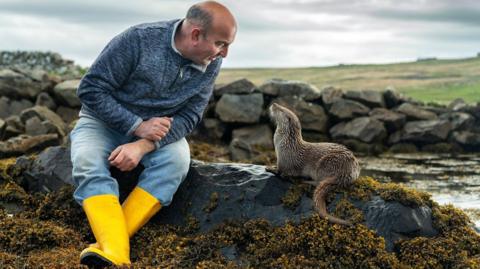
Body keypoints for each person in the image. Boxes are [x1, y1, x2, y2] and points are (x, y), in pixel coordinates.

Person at [69, 1, 237, 267]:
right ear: (195, 35)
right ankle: (117, 251)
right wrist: (136, 125)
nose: (224, 53)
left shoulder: (210, 61)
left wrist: (143, 144)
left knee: (177, 162)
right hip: (100, 123)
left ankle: (111, 247)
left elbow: (190, 116)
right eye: (220, 43)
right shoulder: (137, 40)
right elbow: (90, 90)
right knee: (87, 161)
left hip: (157, 134)